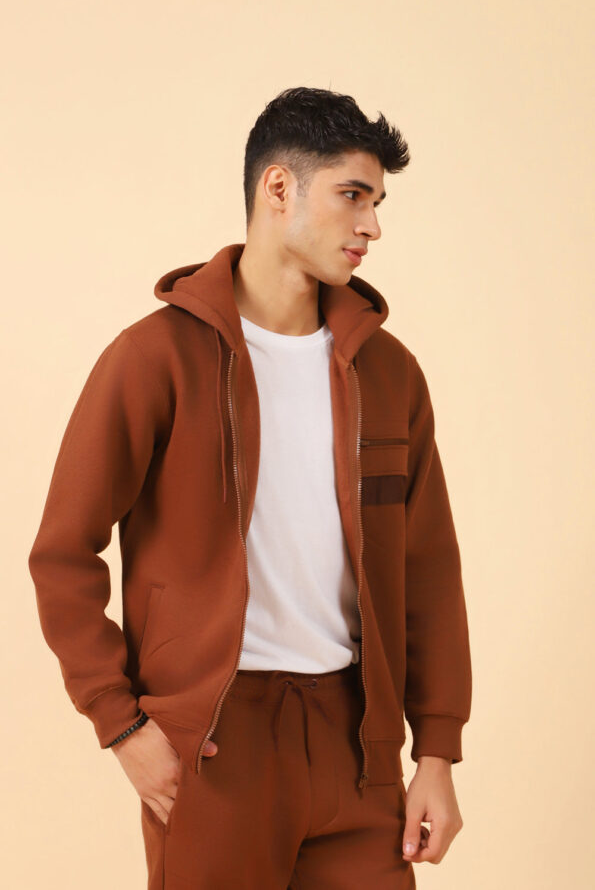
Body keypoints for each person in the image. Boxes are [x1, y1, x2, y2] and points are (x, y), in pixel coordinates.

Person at [28, 86, 472, 888]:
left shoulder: (388, 371)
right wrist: (121, 724)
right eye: (352, 195)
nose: (371, 226)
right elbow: (61, 553)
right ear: (277, 188)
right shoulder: (155, 357)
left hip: (357, 749)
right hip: (215, 747)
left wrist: (434, 750)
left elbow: (428, 571)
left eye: (376, 202)